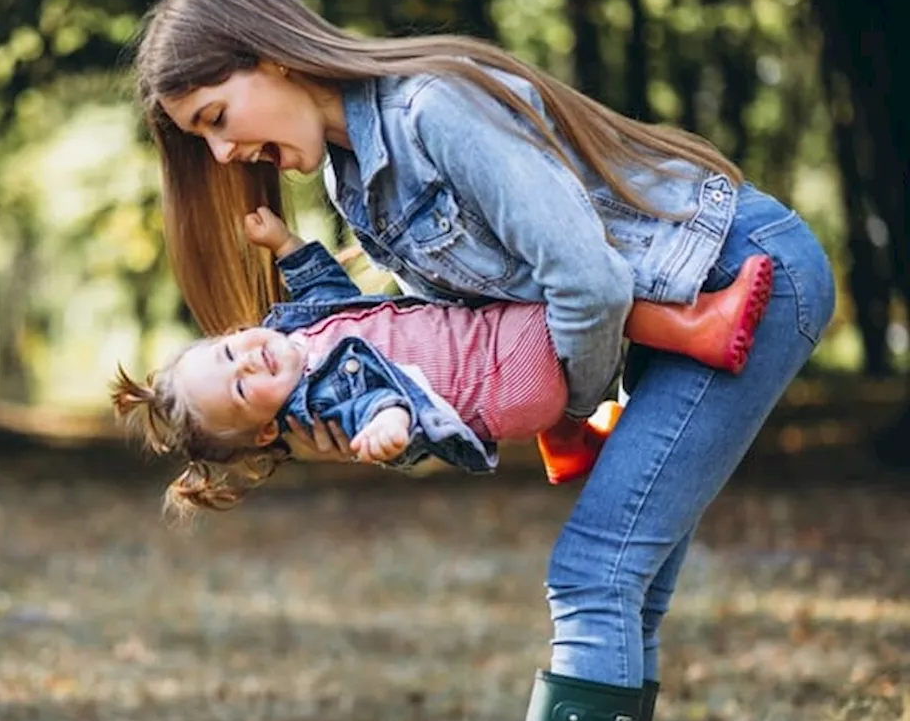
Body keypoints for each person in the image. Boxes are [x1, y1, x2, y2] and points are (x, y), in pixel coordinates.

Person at [131, 0, 836, 721]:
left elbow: (588, 283)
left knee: (594, 574)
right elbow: (447, 340)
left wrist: (563, 403)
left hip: (741, 271)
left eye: (217, 118)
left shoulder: (432, 110)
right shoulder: (347, 179)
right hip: (674, 301)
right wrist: (381, 415)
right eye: (200, 139)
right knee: (625, 587)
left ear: (272, 57)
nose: (221, 154)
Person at [114, 206, 775, 514]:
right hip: (500, 373)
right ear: (265, 429)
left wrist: (287, 244)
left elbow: (331, 296)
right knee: (574, 289)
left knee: (532, 306)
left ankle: (566, 438)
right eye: (238, 387)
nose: (248, 361)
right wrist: (388, 424)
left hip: (497, 371)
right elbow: (373, 396)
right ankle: (698, 328)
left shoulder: (297, 339)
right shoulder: (319, 394)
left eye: (231, 348)